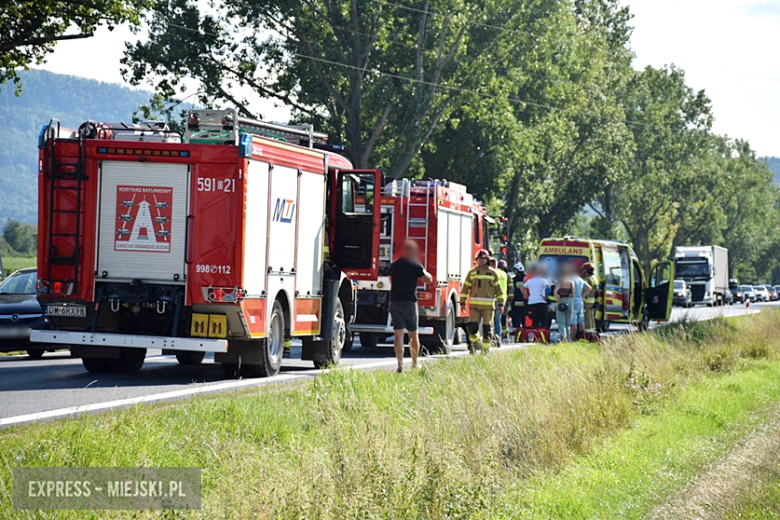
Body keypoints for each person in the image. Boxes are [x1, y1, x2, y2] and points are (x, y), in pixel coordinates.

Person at [388, 240, 433, 373]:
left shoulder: (394, 264)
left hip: (395, 302)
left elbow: (390, 278)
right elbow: (428, 279)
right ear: (412, 251)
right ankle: (414, 363)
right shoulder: (415, 265)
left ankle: (400, 365)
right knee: (413, 334)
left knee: (398, 335)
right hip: (409, 302)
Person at [460, 249, 506, 354]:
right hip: (474, 307)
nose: (481, 261)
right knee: (472, 328)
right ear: (476, 260)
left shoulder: (493, 273)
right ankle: (475, 343)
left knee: (487, 329)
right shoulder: (472, 273)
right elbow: (465, 288)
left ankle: (485, 351)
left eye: (483, 259)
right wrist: (462, 302)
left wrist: (501, 303)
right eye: (479, 259)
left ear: (487, 260)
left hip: (488, 308)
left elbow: (498, 290)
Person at [523, 264, 551, 329]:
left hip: (531, 302)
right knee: (543, 320)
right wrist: (546, 296)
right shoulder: (543, 280)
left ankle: (535, 334)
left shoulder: (530, 281)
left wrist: (525, 295)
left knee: (535, 320)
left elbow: (522, 288)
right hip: (541, 302)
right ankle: (542, 335)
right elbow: (548, 288)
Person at [488, 258, 509, 342]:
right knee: (498, 319)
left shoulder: (493, 273)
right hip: (502, 299)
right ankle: (498, 337)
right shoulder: (504, 274)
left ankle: (492, 337)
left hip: (494, 298)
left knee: (491, 319)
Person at [554, 264, 575, 341]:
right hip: (569, 302)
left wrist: (557, 298)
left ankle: (563, 338)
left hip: (561, 301)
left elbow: (555, 292)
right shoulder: (571, 282)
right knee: (568, 323)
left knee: (561, 322)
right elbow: (573, 294)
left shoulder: (561, 282)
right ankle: (569, 338)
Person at [570, 263, 591, 340]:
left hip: (573, 301)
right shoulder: (580, 279)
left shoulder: (570, 279)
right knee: (581, 321)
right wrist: (582, 297)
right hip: (580, 301)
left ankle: (572, 339)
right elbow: (589, 288)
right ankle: (581, 338)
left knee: (573, 322)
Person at [510, 263, 527, 334]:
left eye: (516, 270)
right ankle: (516, 331)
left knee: (523, 317)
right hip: (516, 301)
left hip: (523, 301)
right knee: (515, 317)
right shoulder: (513, 279)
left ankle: (525, 331)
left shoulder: (525, 279)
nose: (514, 272)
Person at [582, 263, 599, 333]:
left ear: (586, 270)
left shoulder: (587, 279)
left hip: (586, 301)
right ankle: (592, 330)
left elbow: (584, 289)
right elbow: (597, 292)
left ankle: (588, 332)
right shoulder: (595, 278)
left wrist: (582, 299)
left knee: (587, 317)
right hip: (593, 300)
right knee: (591, 315)